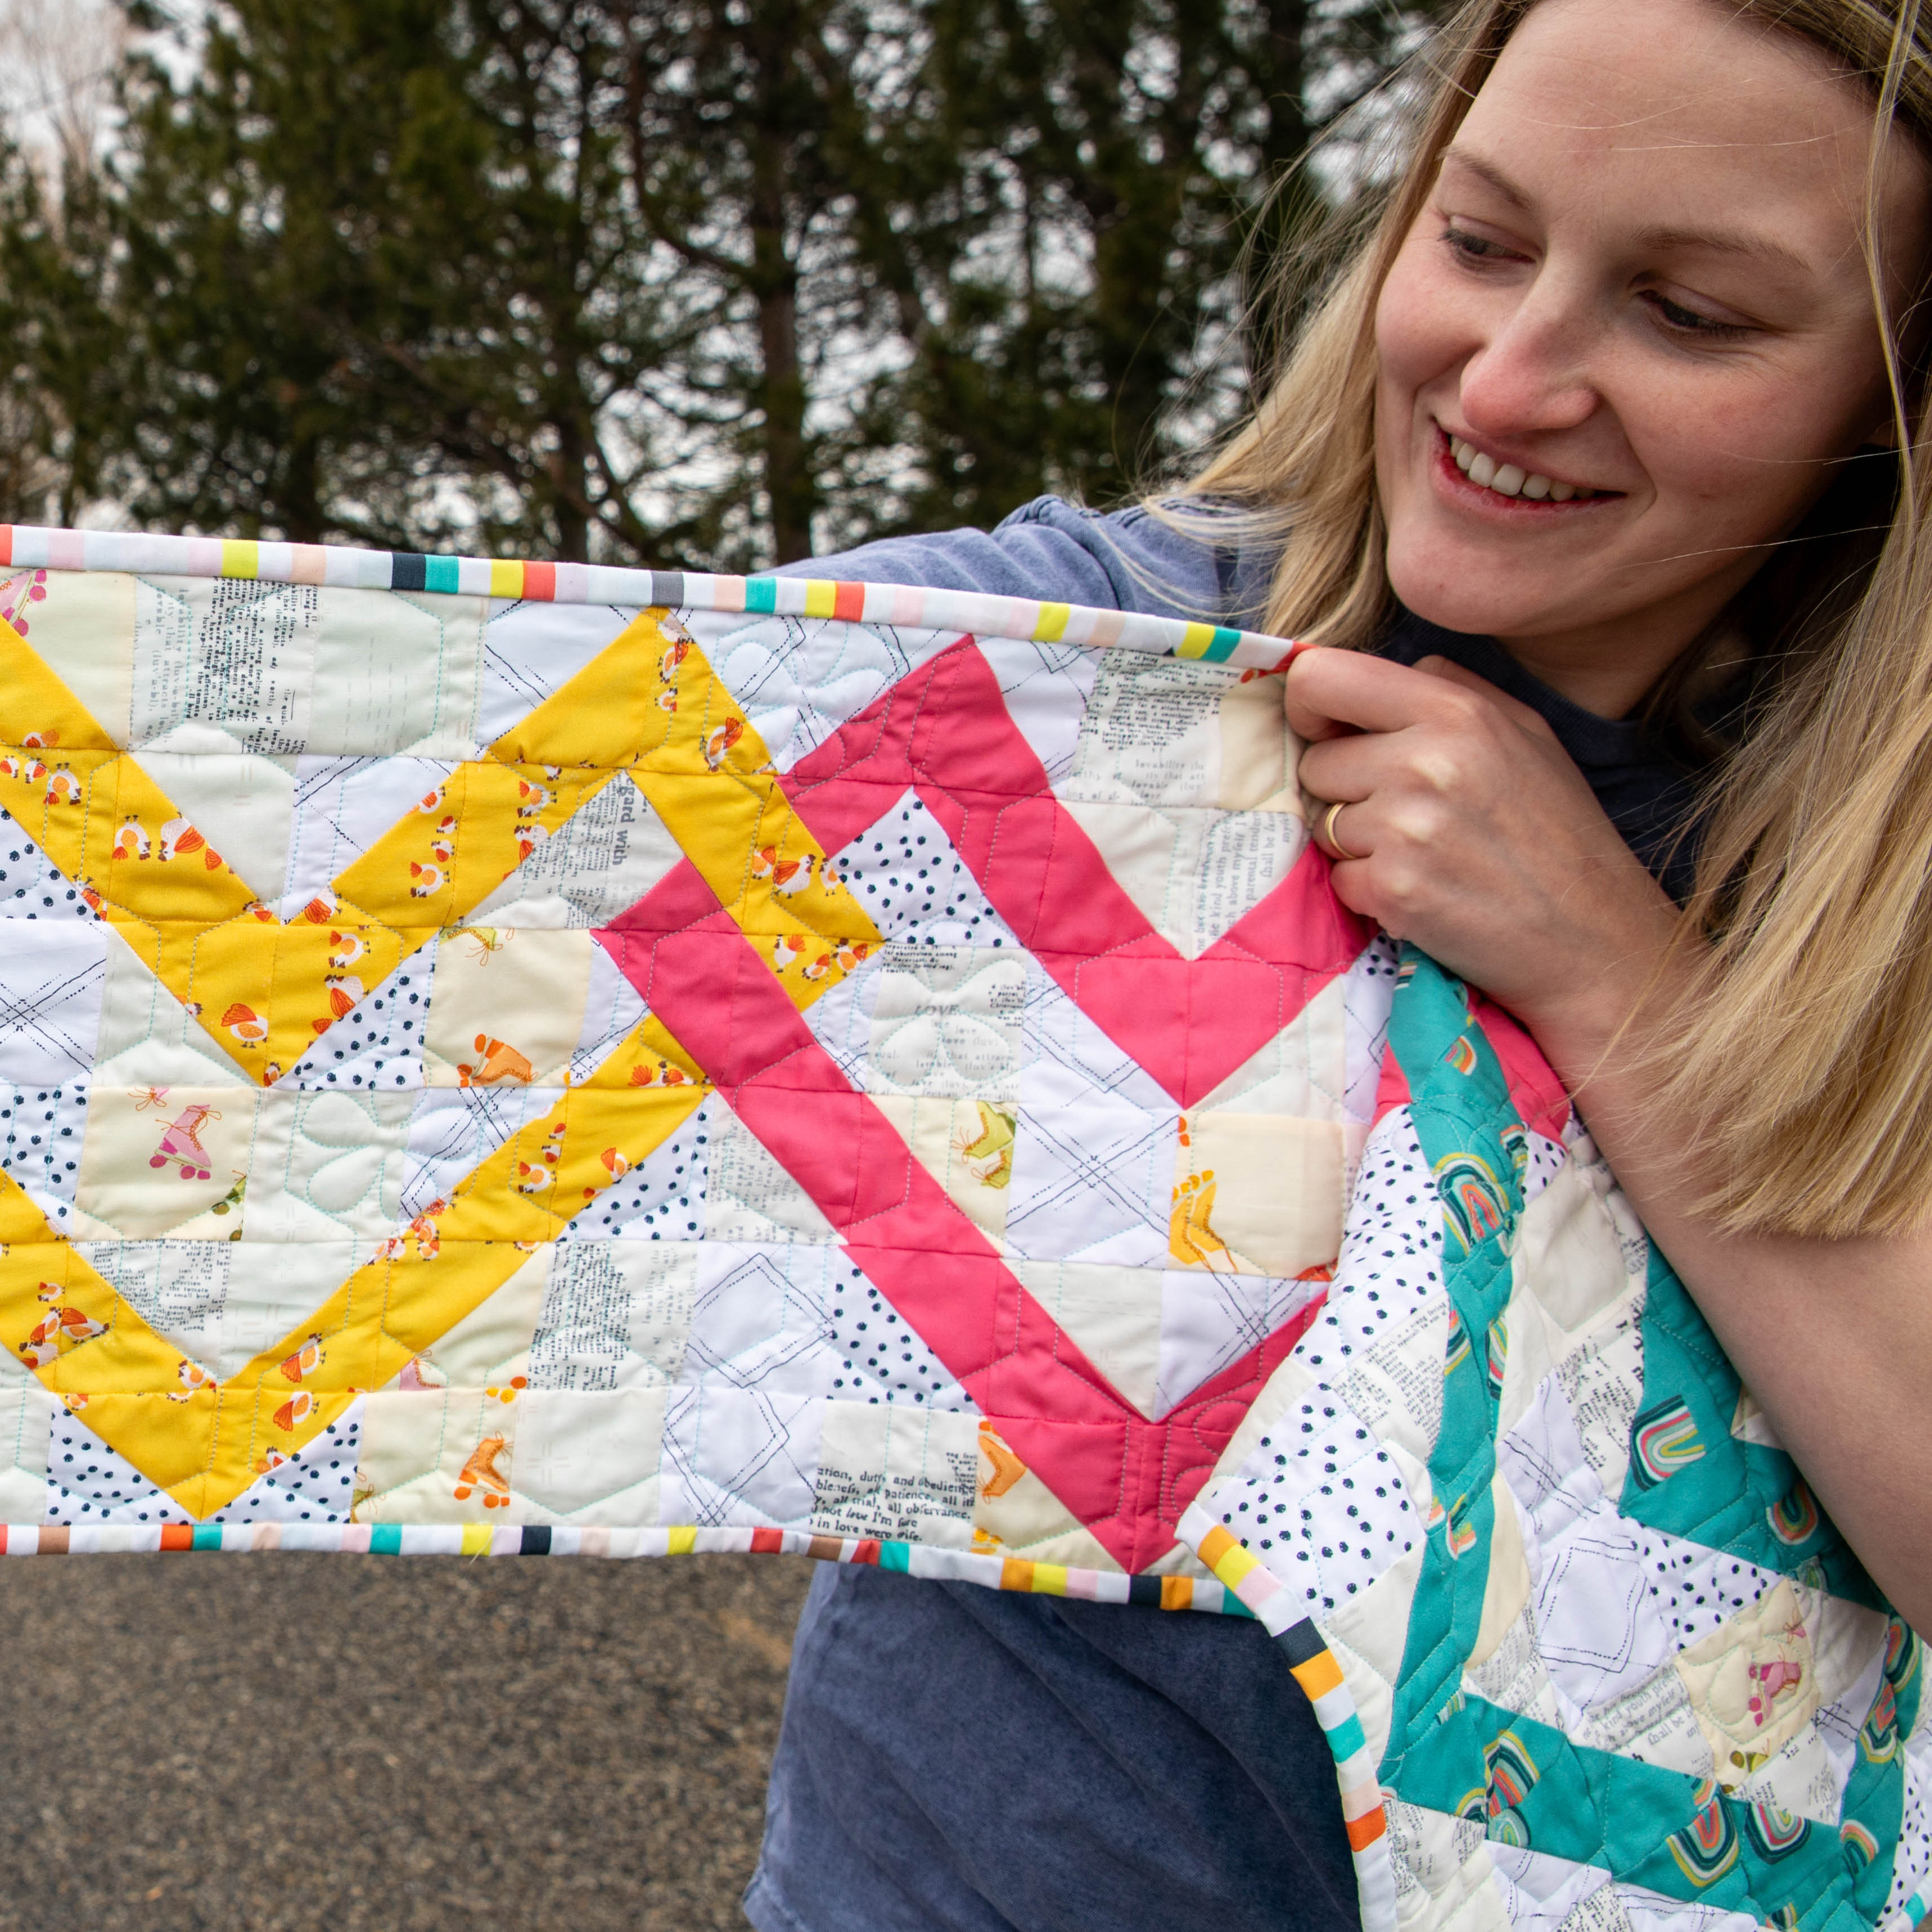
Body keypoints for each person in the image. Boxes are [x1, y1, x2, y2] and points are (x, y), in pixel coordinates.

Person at [741, 1, 1932, 1925]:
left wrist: (1622, 983)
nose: (1511, 372)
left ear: (1894, 383)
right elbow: (586, 772)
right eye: (1474, 239)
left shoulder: (1876, 887)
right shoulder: (1110, 647)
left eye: (1688, 312)